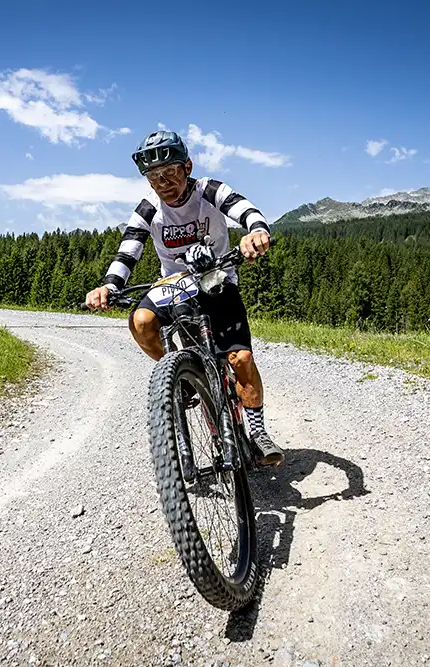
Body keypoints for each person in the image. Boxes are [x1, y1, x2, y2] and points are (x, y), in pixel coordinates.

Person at [85, 130, 284, 466]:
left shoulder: (209, 190)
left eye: (170, 172)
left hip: (216, 277)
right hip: (174, 284)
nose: (163, 183)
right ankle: (181, 373)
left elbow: (245, 210)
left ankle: (257, 432)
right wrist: (108, 285)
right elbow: (128, 251)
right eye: (154, 177)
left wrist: (257, 231)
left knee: (240, 359)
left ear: (187, 167)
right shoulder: (148, 208)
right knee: (141, 321)